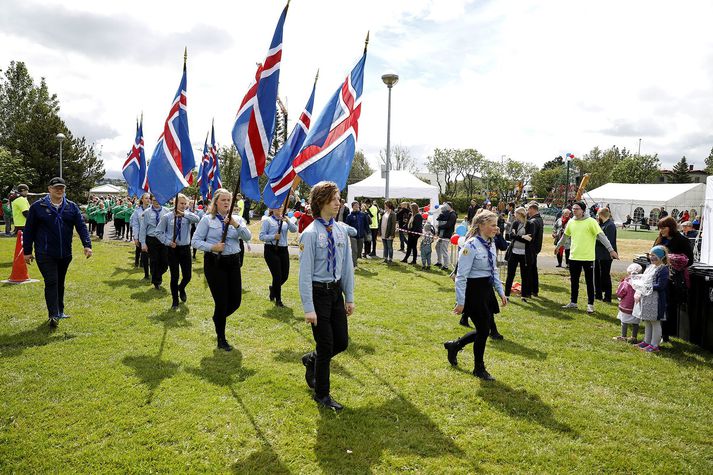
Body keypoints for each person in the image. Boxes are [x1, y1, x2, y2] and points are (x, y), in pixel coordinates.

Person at [299, 181, 355, 411]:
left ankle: (311, 359)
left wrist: (348, 297)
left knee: (341, 341)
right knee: (326, 343)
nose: (338, 202)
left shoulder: (341, 230)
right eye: (333, 198)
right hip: (317, 293)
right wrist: (308, 307)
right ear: (321, 202)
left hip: (335, 294)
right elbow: (304, 274)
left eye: (339, 198)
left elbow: (347, 266)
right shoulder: (310, 234)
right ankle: (322, 394)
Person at [443, 210, 507, 381]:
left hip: (486, 289)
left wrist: (500, 291)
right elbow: (461, 277)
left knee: (483, 330)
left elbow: (493, 270)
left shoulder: (491, 244)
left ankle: (455, 346)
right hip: (473, 291)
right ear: (481, 225)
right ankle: (479, 368)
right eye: (493, 225)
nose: (496, 228)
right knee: (484, 330)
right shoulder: (470, 246)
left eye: (496, 224)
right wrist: (461, 302)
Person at [22, 177, 92, 328]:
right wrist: (27, 251)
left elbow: (81, 226)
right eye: (56, 188)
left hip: (65, 253)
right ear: (49, 189)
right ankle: (53, 314)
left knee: (60, 282)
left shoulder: (71, 207)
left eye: (62, 188)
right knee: (52, 281)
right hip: (45, 252)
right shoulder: (37, 207)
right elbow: (29, 230)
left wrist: (87, 245)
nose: (59, 190)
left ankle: (60, 311)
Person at [191, 188, 252, 351]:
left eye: (228, 200)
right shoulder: (207, 220)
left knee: (236, 301)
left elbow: (248, 237)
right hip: (214, 263)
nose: (226, 203)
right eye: (223, 200)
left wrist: (235, 224)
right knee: (222, 301)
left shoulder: (237, 218)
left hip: (233, 262)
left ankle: (218, 318)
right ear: (216, 202)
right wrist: (212, 247)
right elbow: (195, 241)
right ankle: (221, 338)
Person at [558, 201, 618, 313]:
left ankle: (590, 304)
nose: (574, 210)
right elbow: (565, 236)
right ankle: (573, 302)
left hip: (588, 257)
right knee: (574, 281)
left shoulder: (591, 222)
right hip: (574, 256)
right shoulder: (571, 222)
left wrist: (611, 250)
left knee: (590, 282)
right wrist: (558, 246)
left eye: (577, 209)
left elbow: (602, 236)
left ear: (583, 210)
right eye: (573, 209)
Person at [157, 194, 200, 309]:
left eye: (185, 204)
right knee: (174, 276)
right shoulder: (167, 217)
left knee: (188, 276)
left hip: (185, 248)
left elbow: (197, 219)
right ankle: (175, 300)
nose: (183, 205)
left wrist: (184, 214)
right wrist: (168, 242)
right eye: (181, 203)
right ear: (175, 203)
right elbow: (158, 232)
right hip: (172, 249)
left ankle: (181, 288)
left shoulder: (188, 216)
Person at [654, 216, 693, 342]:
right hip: (659, 276)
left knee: (669, 306)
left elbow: (690, 260)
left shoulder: (682, 240)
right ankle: (657, 331)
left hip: (674, 278)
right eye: (660, 228)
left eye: (663, 228)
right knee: (658, 304)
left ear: (671, 227)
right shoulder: (659, 239)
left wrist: (675, 262)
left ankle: (666, 334)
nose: (661, 230)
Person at [259, 206, 298, 307]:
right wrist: (273, 237)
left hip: (283, 249)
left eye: (281, 206)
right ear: (272, 209)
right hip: (271, 249)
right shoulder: (268, 221)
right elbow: (261, 236)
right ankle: (278, 300)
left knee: (285, 275)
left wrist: (288, 221)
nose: (280, 208)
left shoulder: (285, 220)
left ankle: (273, 288)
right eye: (277, 207)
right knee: (277, 275)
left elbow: (294, 230)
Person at [633, 246, 669, 352]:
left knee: (655, 322)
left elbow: (661, 285)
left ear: (661, 256)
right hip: (647, 299)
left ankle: (654, 345)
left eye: (654, 255)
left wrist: (646, 286)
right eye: (651, 255)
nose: (652, 257)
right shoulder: (650, 267)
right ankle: (646, 341)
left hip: (656, 300)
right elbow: (645, 279)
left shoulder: (663, 269)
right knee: (647, 321)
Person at [139, 195, 170, 289]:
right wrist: (143, 243)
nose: (156, 202)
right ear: (151, 200)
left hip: (163, 239)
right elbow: (143, 228)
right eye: (154, 200)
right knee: (154, 260)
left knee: (165, 262)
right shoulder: (147, 212)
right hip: (151, 239)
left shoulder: (166, 211)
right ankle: (157, 281)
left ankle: (156, 275)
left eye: (158, 200)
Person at [504, 207, 533, 301]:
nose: (514, 215)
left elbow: (529, 240)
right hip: (513, 252)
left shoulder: (530, 224)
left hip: (524, 254)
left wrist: (518, 236)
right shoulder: (515, 223)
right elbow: (510, 236)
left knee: (524, 275)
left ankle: (523, 296)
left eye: (516, 213)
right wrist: (522, 237)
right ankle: (506, 295)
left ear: (520, 214)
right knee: (510, 274)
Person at [614, 263, 642, 342]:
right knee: (635, 323)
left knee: (624, 321)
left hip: (626, 306)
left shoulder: (626, 283)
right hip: (636, 306)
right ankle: (634, 337)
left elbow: (620, 293)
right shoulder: (641, 282)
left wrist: (619, 296)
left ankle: (623, 336)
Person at [594, 208, 617, 302]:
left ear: (601, 215)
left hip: (606, 256)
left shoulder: (610, 225)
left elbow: (609, 241)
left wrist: (594, 238)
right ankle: (598, 294)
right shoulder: (602, 224)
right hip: (598, 254)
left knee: (605, 276)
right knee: (597, 275)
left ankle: (607, 296)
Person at [130, 193, 151, 279]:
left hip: (150, 235)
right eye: (146, 198)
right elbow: (135, 224)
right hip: (140, 235)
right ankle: (144, 270)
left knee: (150, 254)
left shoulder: (152, 209)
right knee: (142, 251)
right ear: (142, 199)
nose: (148, 200)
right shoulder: (137, 211)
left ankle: (151, 270)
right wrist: (135, 237)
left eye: (149, 198)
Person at [526, 202, 544, 297]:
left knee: (529, 270)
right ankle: (534, 290)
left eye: (528, 209)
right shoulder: (539, 219)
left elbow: (530, 237)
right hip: (535, 248)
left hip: (531, 248)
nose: (527, 211)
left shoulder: (534, 221)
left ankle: (528, 291)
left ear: (533, 209)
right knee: (533, 269)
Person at [345, 201, 369, 267]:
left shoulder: (362, 215)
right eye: (355, 205)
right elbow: (346, 226)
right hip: (353, 236)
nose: (356, 206)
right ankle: (354, 265)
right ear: (352, 207)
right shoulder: (349, 216)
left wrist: (368, 232)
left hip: (361, 235)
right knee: (354, 250)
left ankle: (356, 259)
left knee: (359, 250)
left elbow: (366, 224)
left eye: (357, 205)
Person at [435, 203, 456, 271]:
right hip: (442, 234)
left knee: (444, 250)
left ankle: (446, 265)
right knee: (437, 247)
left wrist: (439, 226)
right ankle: (439, 262)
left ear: (449, 207)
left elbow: (448, 225)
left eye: (446, 207)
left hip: (447, 234)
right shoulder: (447, 213)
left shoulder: (453, 215)